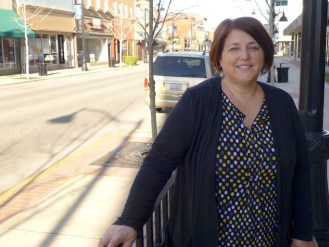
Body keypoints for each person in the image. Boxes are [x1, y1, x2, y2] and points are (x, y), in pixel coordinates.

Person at [98, 17, 317, 247]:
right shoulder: (197, 102)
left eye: (254, 47)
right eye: (234, 48)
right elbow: (158, 162)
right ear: (219, 58)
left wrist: (303, 233)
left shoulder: (281, 104)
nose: (245, 55)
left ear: (264, 55)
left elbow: (300, 170)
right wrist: (129, 221)